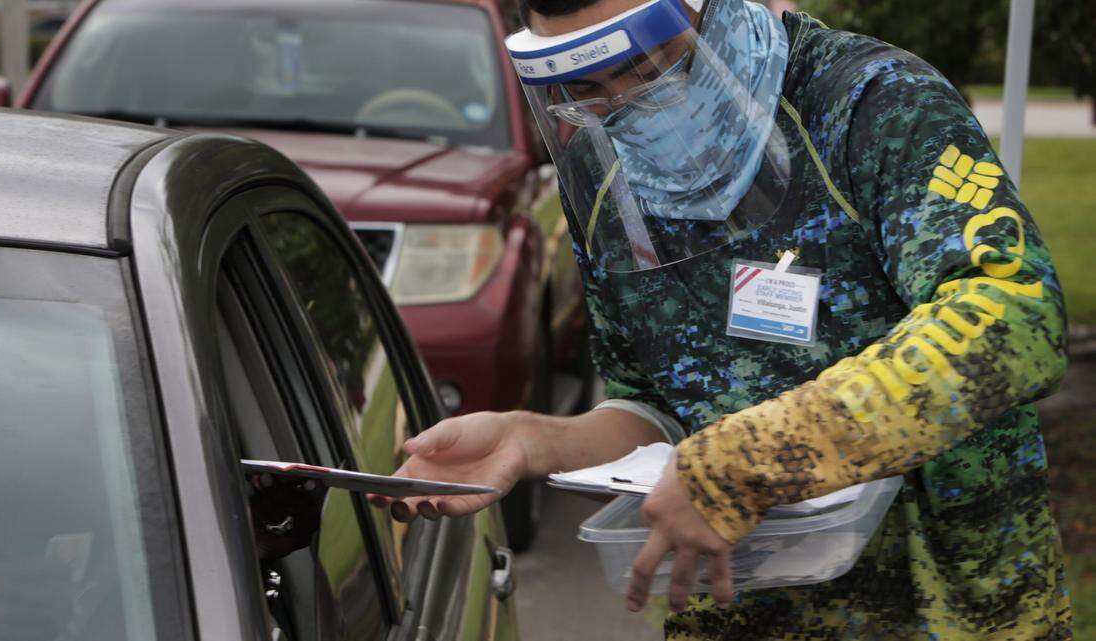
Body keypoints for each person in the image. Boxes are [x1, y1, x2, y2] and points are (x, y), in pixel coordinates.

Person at [371, 0, 1074, 638]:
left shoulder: (868, 102)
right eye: (587, 90)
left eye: (650, 68)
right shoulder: (608, 189)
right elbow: (656, 408)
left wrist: (748, 464)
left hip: (958, 612)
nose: (626, 106)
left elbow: (1013, 312)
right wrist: (534, 440)